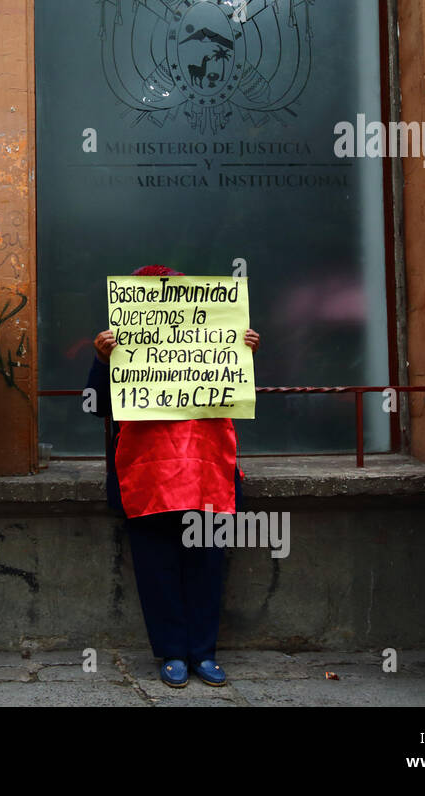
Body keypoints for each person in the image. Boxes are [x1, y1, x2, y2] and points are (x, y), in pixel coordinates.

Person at [87, 264, 260, 688]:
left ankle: (203, 653)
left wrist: (243, 353)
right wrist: (101, 361)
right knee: (156, 570)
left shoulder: (215, 342)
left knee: (206, 567)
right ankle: (171, 653)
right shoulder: (119, 348)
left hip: (206, 473)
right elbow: (94, 406)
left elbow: (239, 397)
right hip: (148, 475)